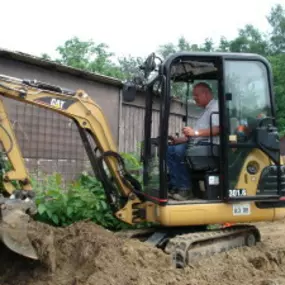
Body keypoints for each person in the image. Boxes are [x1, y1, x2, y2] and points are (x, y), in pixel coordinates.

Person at [167, 82, 220, 201]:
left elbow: (218, 129)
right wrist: (179, 139)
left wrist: (194, 133)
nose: (194, 98)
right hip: (199, 143)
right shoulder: (205, 111)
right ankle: (176, 186)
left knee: (179, 151)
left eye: (196, 95)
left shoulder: (216, 107)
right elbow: (196, 134)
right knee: (169, 150)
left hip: (211, 145)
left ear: (206, 93)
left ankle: (186, 189)